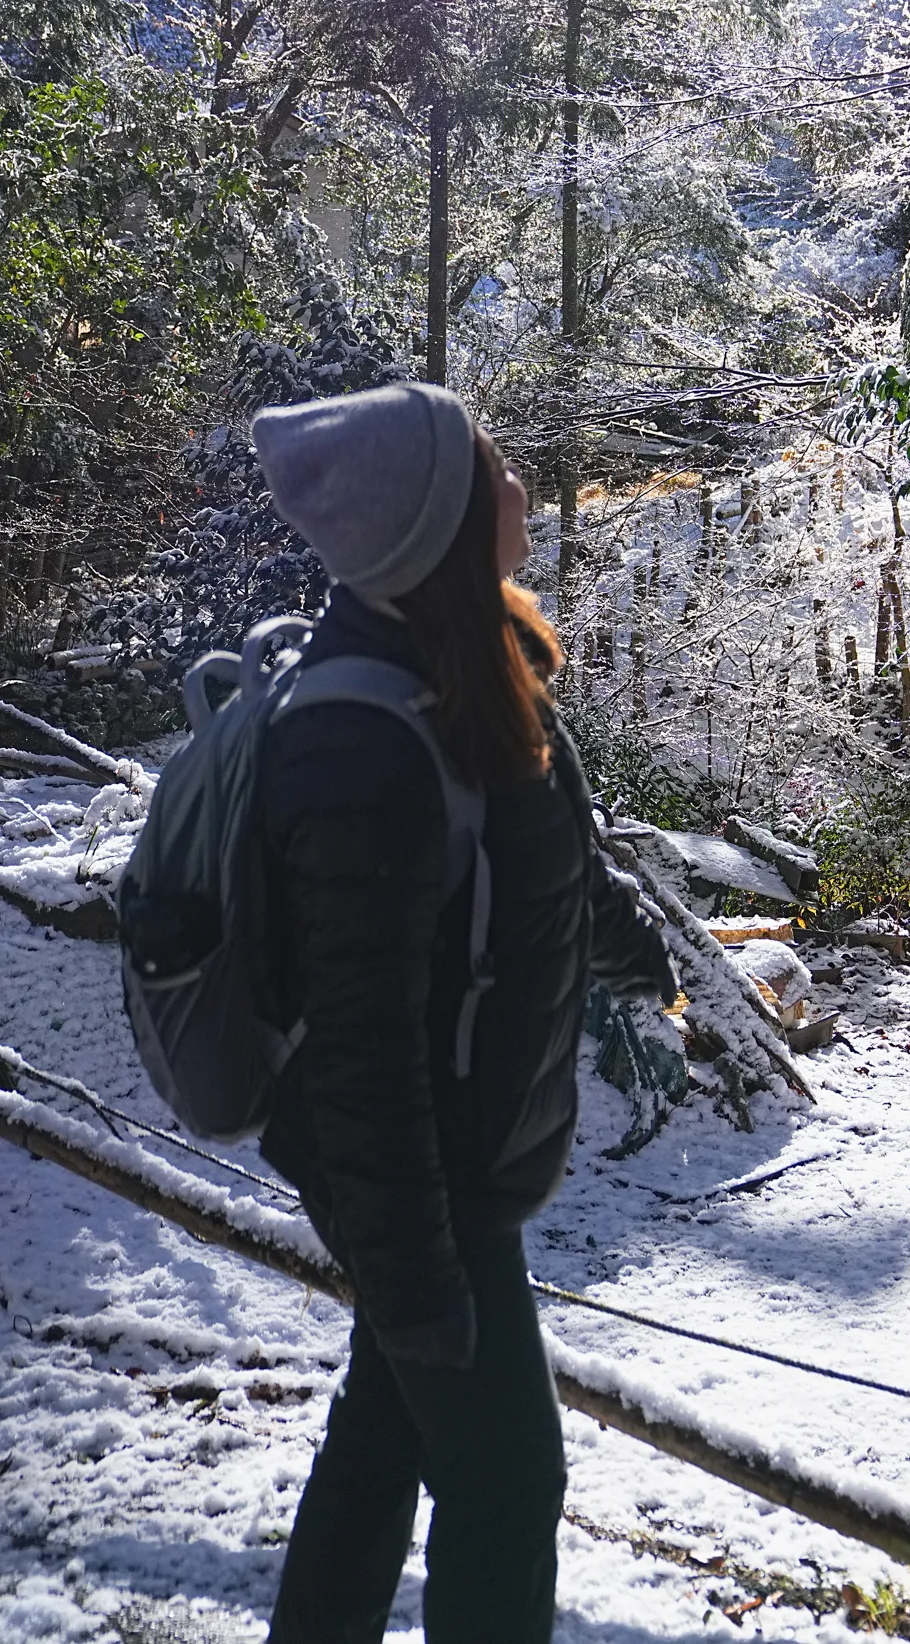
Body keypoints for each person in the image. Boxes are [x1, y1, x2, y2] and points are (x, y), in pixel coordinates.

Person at [249, 381, 676, 1644]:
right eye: (494, 469)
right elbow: (361, 1059)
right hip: (419, 1183)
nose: (521, 487)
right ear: (435, 523)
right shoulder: (356, 741)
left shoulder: (459, 660)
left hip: (459, 1163)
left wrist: (631, 952)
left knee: (379, 1457)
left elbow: (533, 850)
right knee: (507, 1486)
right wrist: (420, 1276)